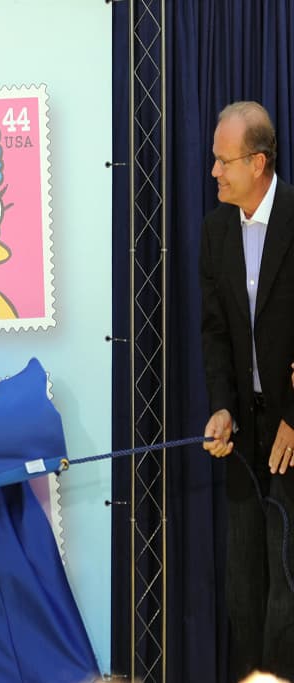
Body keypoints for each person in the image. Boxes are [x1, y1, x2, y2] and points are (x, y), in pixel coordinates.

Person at [201, 101, 294, 680]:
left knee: (287, 583)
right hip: (244, 432)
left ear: (257, 163)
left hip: (291, 431)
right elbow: (214, 332)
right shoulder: (215, 232)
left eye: (223, 160)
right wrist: (221, 407)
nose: (214, 171)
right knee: (243, 583)